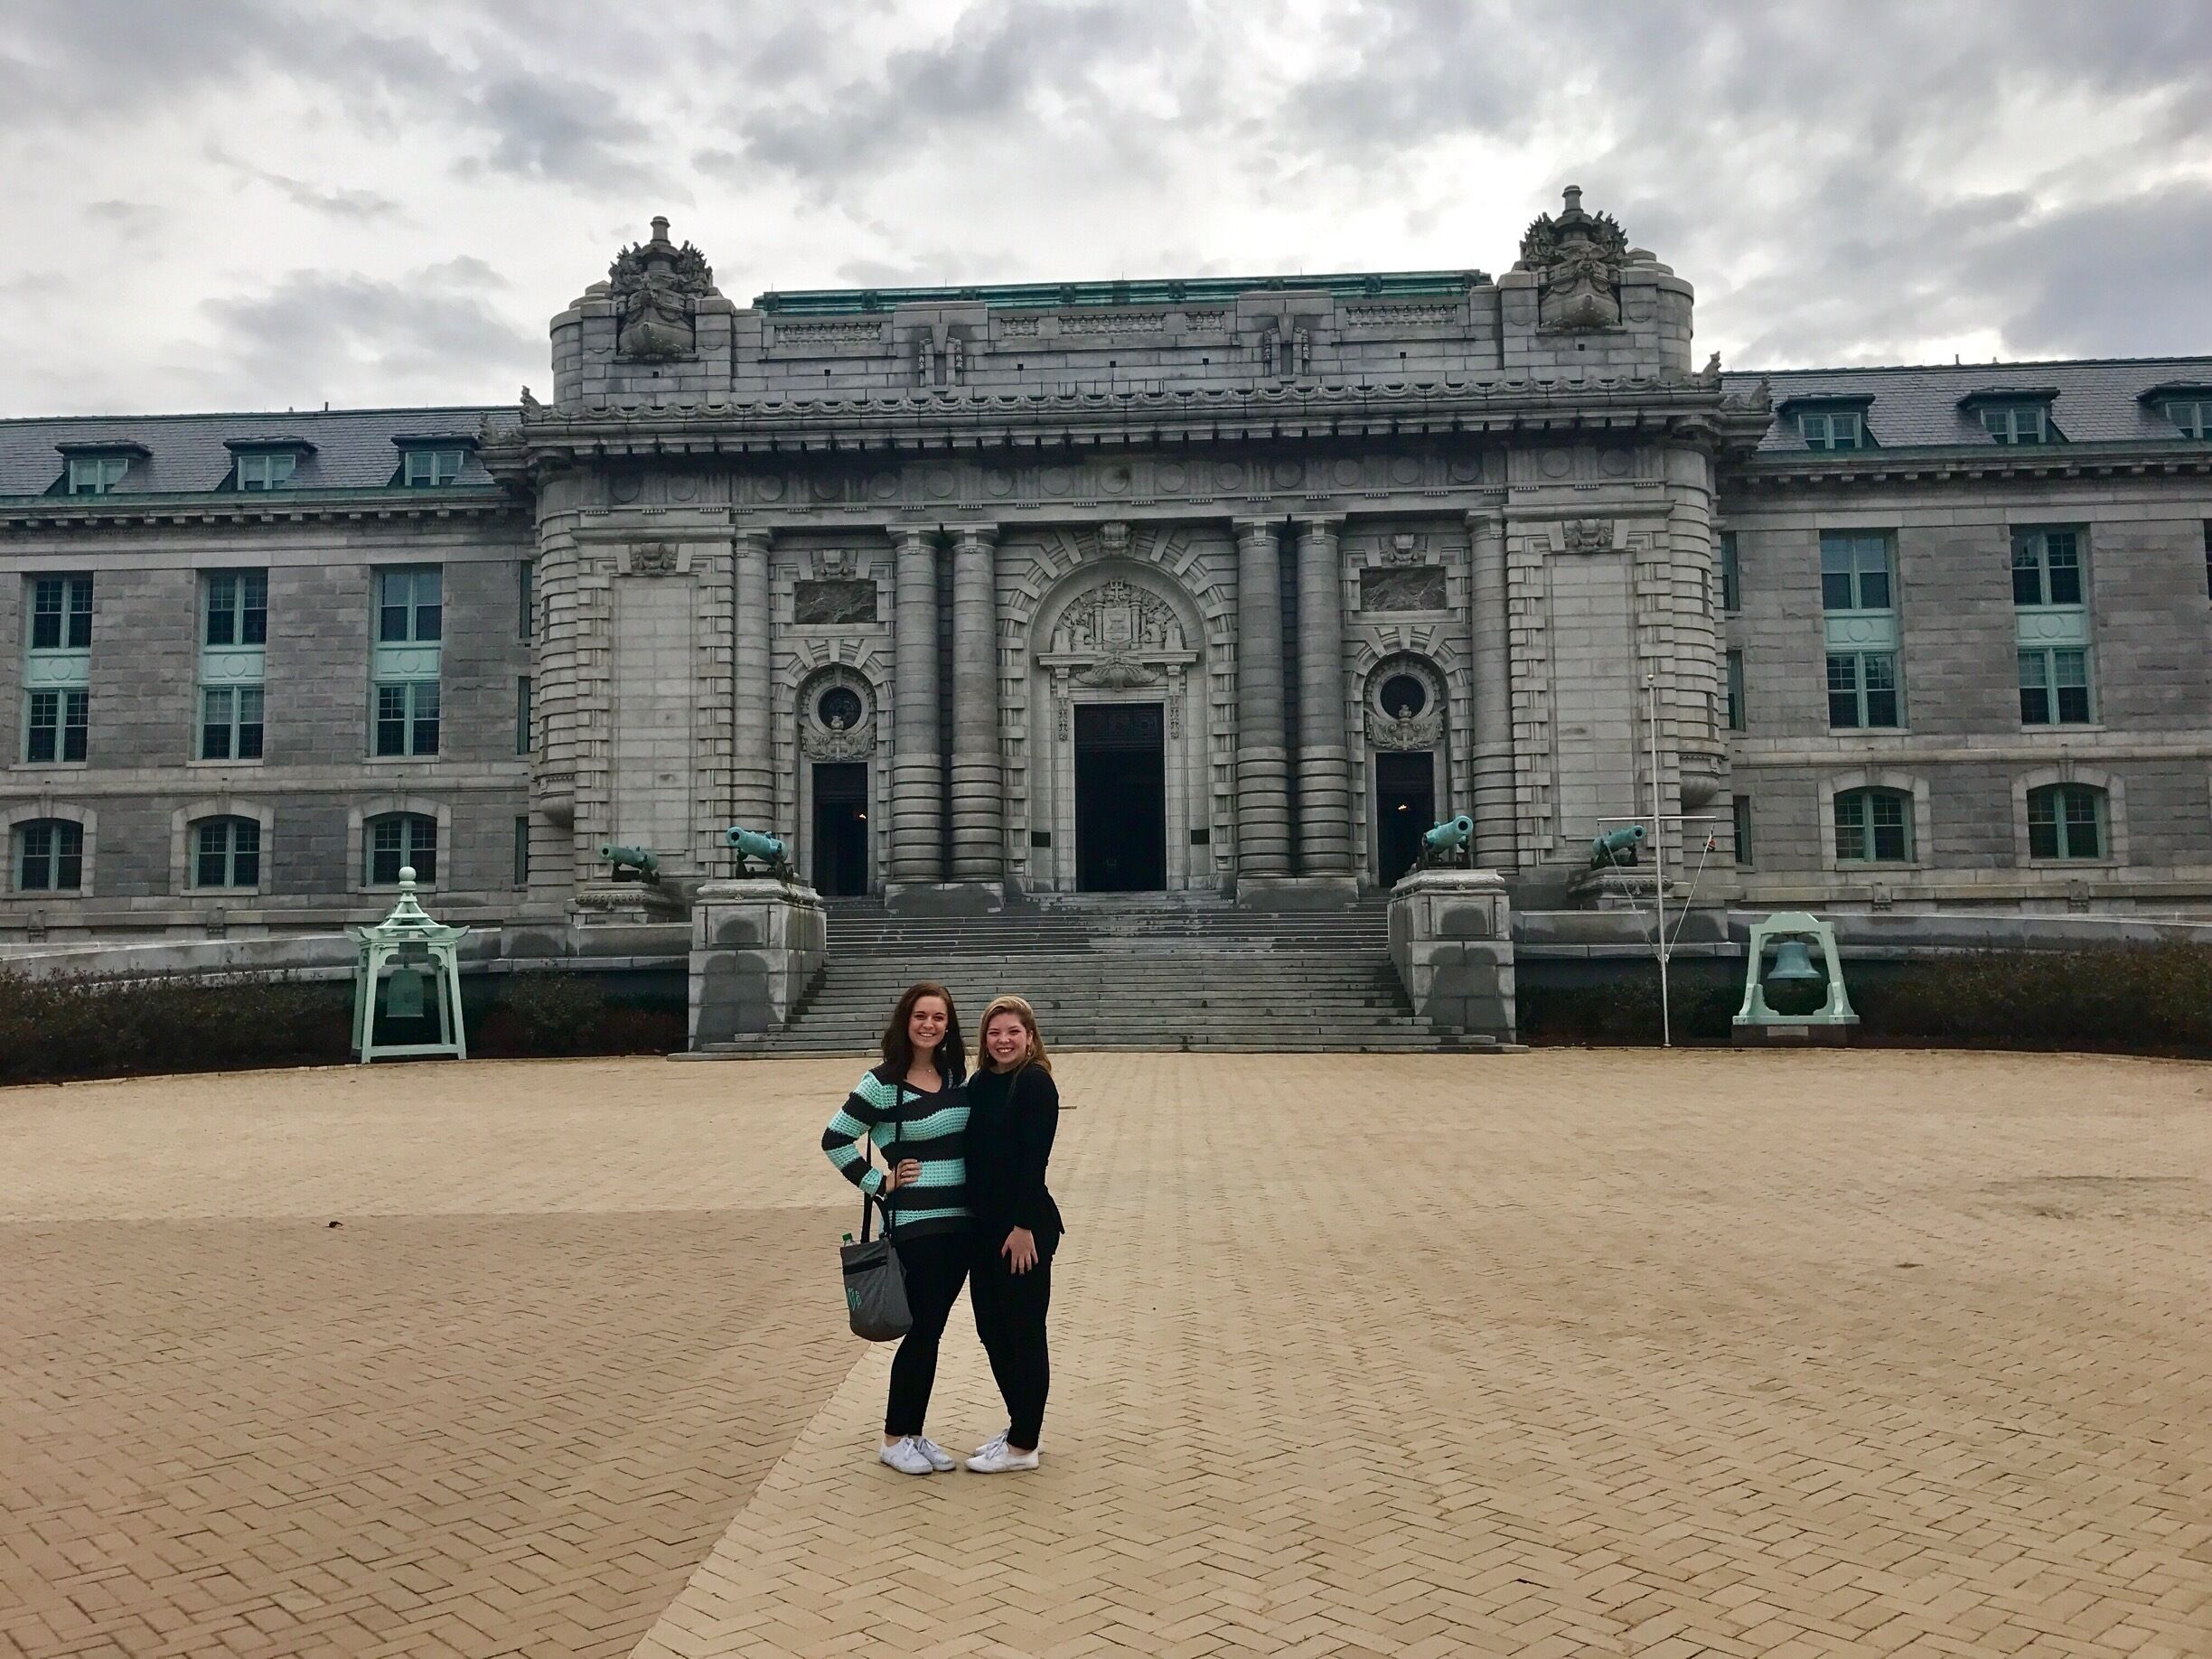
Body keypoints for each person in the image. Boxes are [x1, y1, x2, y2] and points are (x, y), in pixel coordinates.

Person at [820, 980, 971, 1476]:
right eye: (921, 1016)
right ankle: (893, 1437)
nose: (930, 1025)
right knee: (922, 1330)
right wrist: (879, 1181)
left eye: (939, 1017)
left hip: (960, 1224)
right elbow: (835, 1138)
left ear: (949, 1026)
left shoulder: (954, 1075)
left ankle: (914, 1431)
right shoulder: (882, 1082)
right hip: (915, 1224)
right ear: (905, 1021)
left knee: (933, 1331)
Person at [961, 994, 1064, 1473]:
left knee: (1023, 1331)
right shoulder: (980, 1084)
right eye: (994, 1032)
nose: (1003, 1040)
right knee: (990, 1329)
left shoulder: (1035, 1084)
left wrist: (1023, 1228)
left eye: (1013, 1032)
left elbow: (1033, 1162)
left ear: (1030, 1037)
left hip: (1024, 1228)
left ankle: (1024, 1445)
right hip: (983, 1227)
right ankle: (1021, 1423)